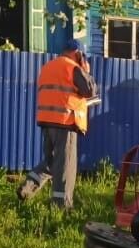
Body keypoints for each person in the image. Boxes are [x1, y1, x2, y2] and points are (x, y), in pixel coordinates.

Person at [18, 39, 97, 210]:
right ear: (78, 53)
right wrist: (86, 71)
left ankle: (28, 188)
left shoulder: (48, 67)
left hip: (47, 121)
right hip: (66, 122)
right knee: (66, 165)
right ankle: (62, 205)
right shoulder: (73, 68)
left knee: (52, 162)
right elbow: (89, 90)